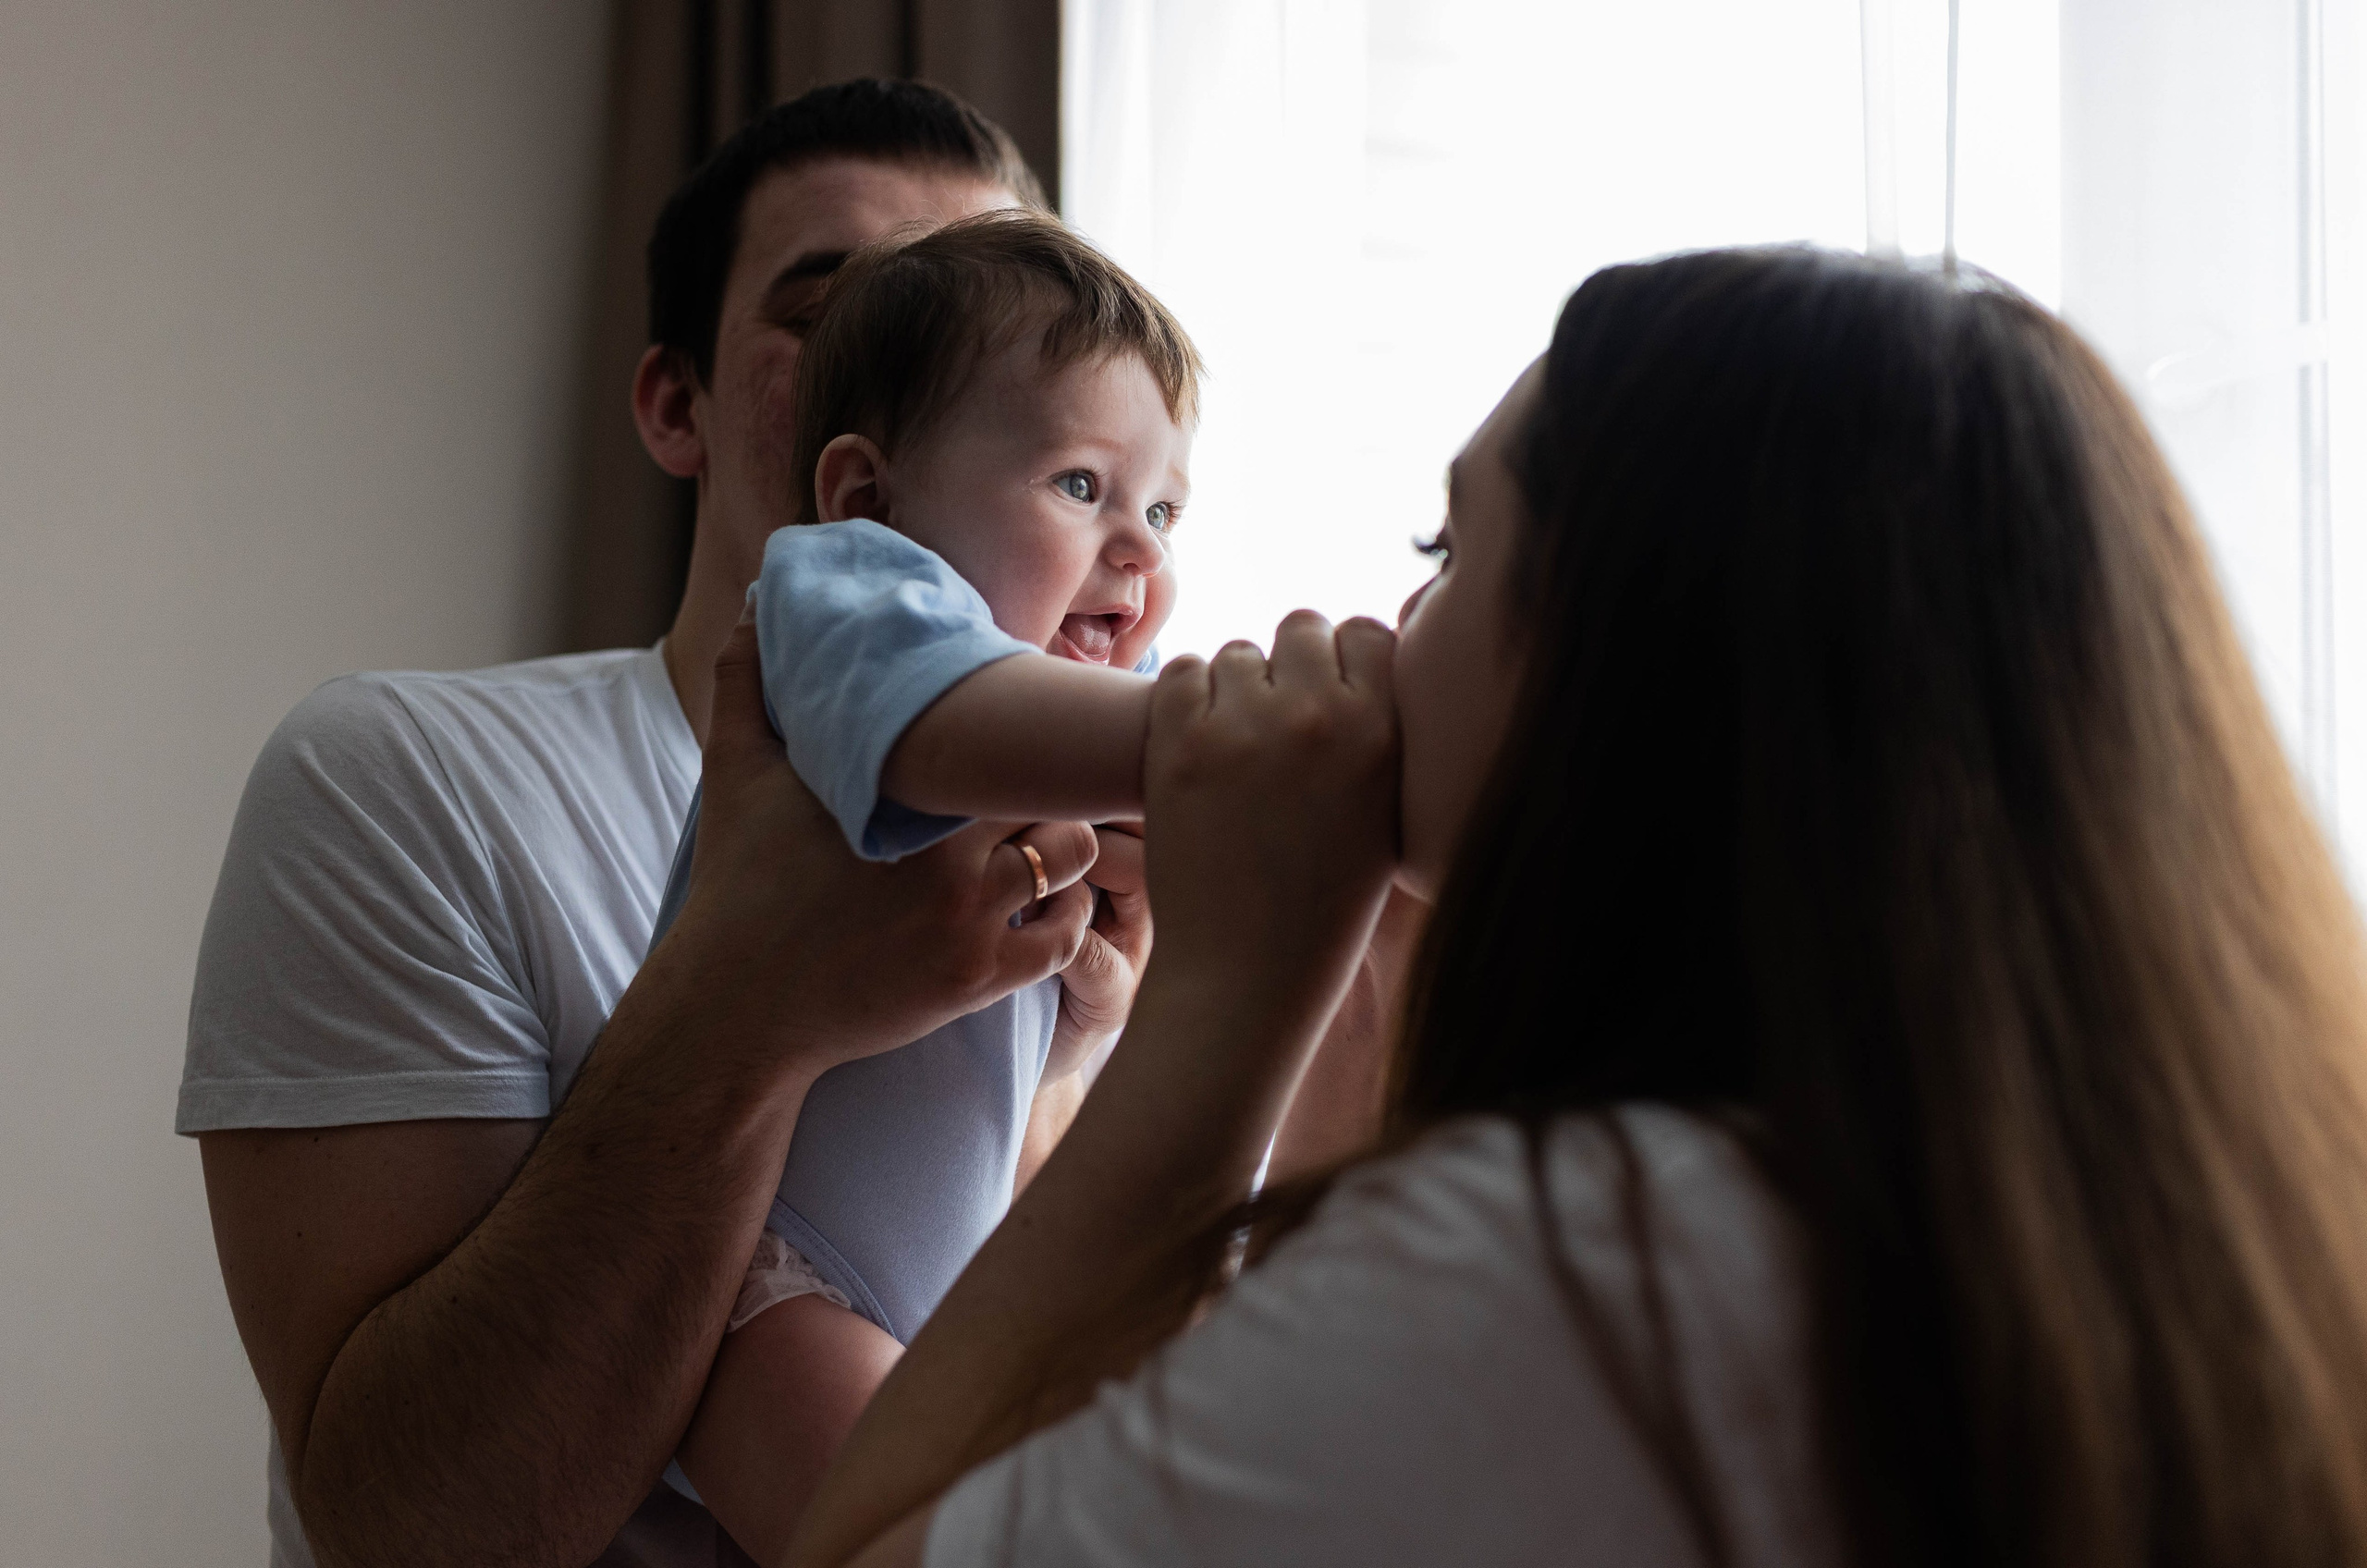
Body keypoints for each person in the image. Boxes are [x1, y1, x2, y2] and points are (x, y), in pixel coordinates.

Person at [756, 247, 2367, 1568]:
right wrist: (1355, 974)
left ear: (1630, 674)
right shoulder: (2055, 1198)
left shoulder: (1590, 1267)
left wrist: (1229, 1000)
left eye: (1448, 547)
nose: (1389, 619)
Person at [178, 80, 1202, 1568]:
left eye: (984, 298)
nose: (913, 344)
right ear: (680, 407)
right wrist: (755, 1003)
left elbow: (1000, 1328)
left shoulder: (1063, 810)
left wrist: (1083, 1045)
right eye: (840, 302)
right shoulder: (403, 775)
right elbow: (412, 1529)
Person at [657, 211, 1198, 1558]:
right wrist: (1211, 754)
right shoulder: (843, 598)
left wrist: (1079, 1013)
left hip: (942, 1296)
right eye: (1081, 485)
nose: (1137, 549)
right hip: (757, 1286)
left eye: (1165, 507)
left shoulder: (1077, 708)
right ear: (866, 492)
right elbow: (944, 729)